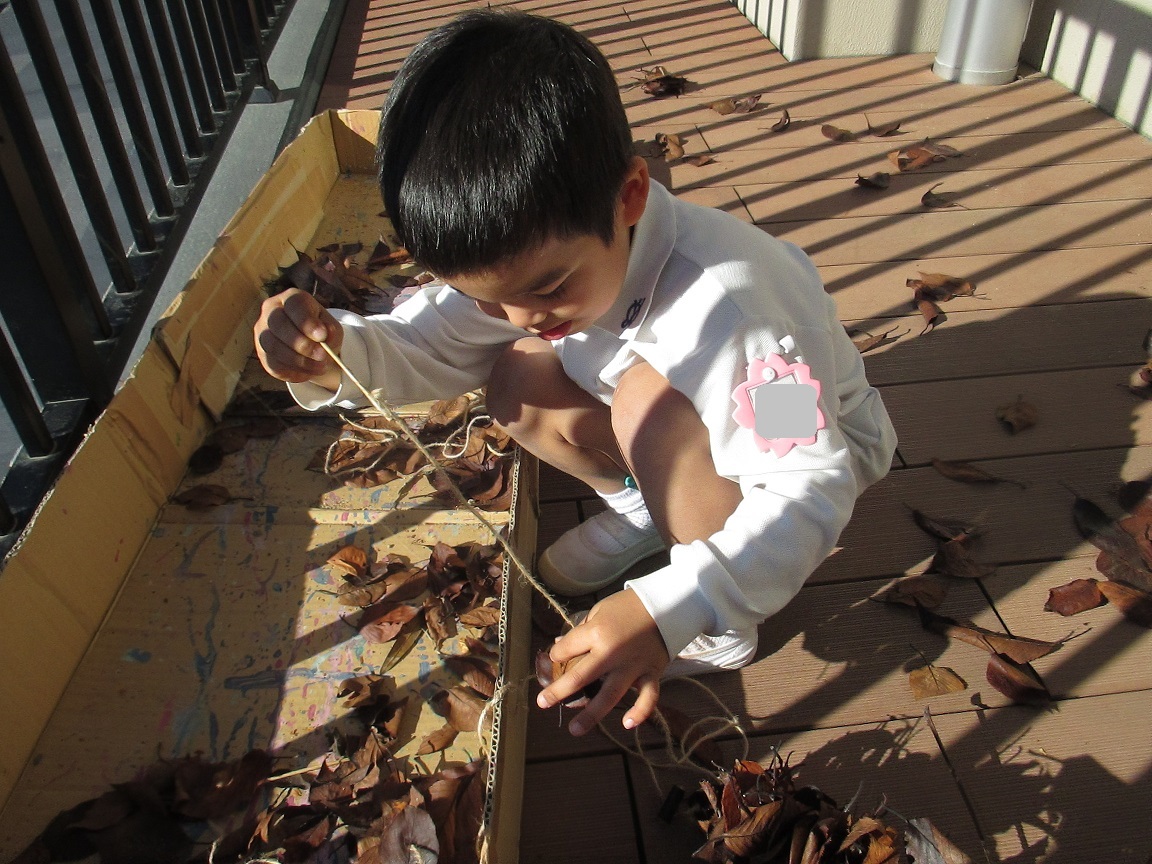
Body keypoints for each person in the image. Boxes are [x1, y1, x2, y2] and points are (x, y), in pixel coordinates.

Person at [253, 9, 897, 738]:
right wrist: (333, 353)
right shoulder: (542, 261)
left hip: (798, 448)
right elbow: (432, 343)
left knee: (647, 404)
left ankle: (719, 632)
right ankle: (646, 508)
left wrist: (674, 608)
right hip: (677, 417)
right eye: (485, 297)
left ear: (630, 196)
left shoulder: (736, 313)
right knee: (516, 377)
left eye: (548, 289)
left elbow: (807, 481)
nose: (519, 316)